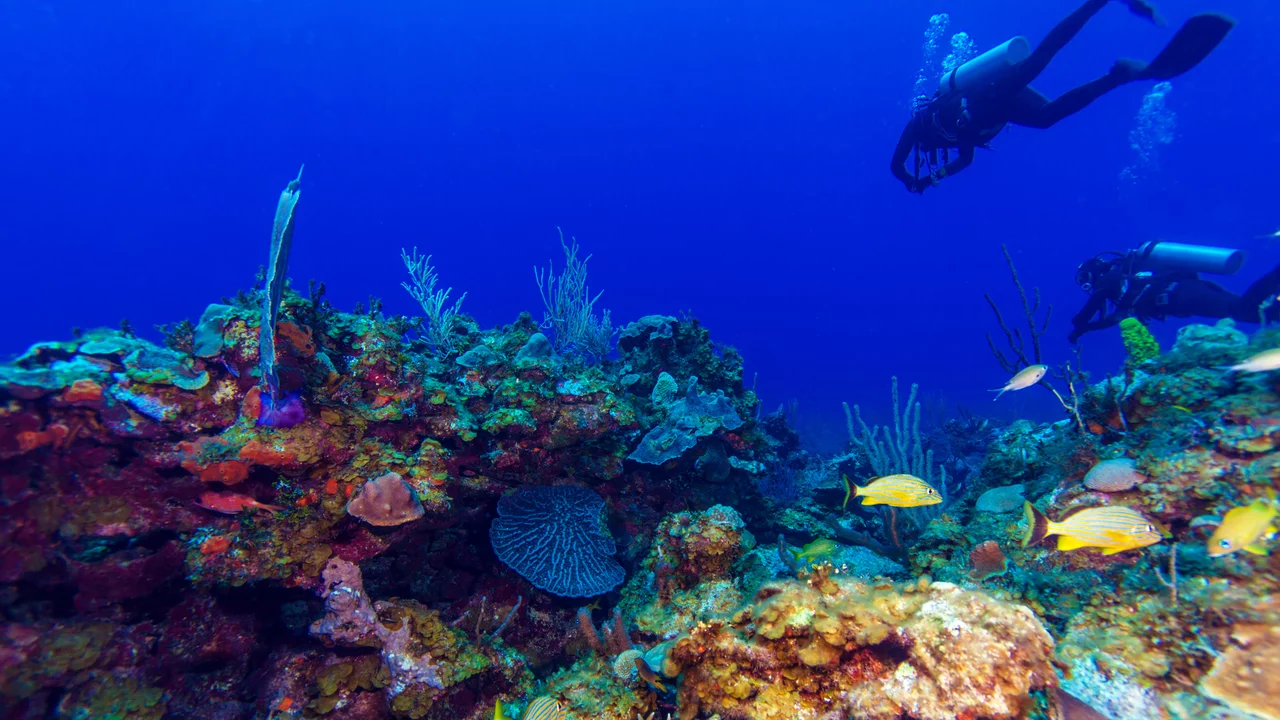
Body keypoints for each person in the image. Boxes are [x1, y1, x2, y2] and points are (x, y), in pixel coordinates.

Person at [890, 1, 1234, 194]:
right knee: (1046, 117)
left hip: (987, 94)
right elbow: (965, 160)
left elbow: (895, 165)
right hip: (998, 109)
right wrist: (930, 180)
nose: (931, 152)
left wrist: (910, 180)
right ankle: (1118, 76)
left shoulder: (918, 124)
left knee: (1041, 57)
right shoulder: (955, 142)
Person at [1068, 246, 1280, 343]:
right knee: (1255, 313)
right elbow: (1114, 318)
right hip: (1189, 289)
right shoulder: (1125, 276)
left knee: (1242, 309)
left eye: (1084, 279)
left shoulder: (1109, 279)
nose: (1086, 285)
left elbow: (1091, 310)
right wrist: (1085, 329)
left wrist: (1079, 326)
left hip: (1181, 296)